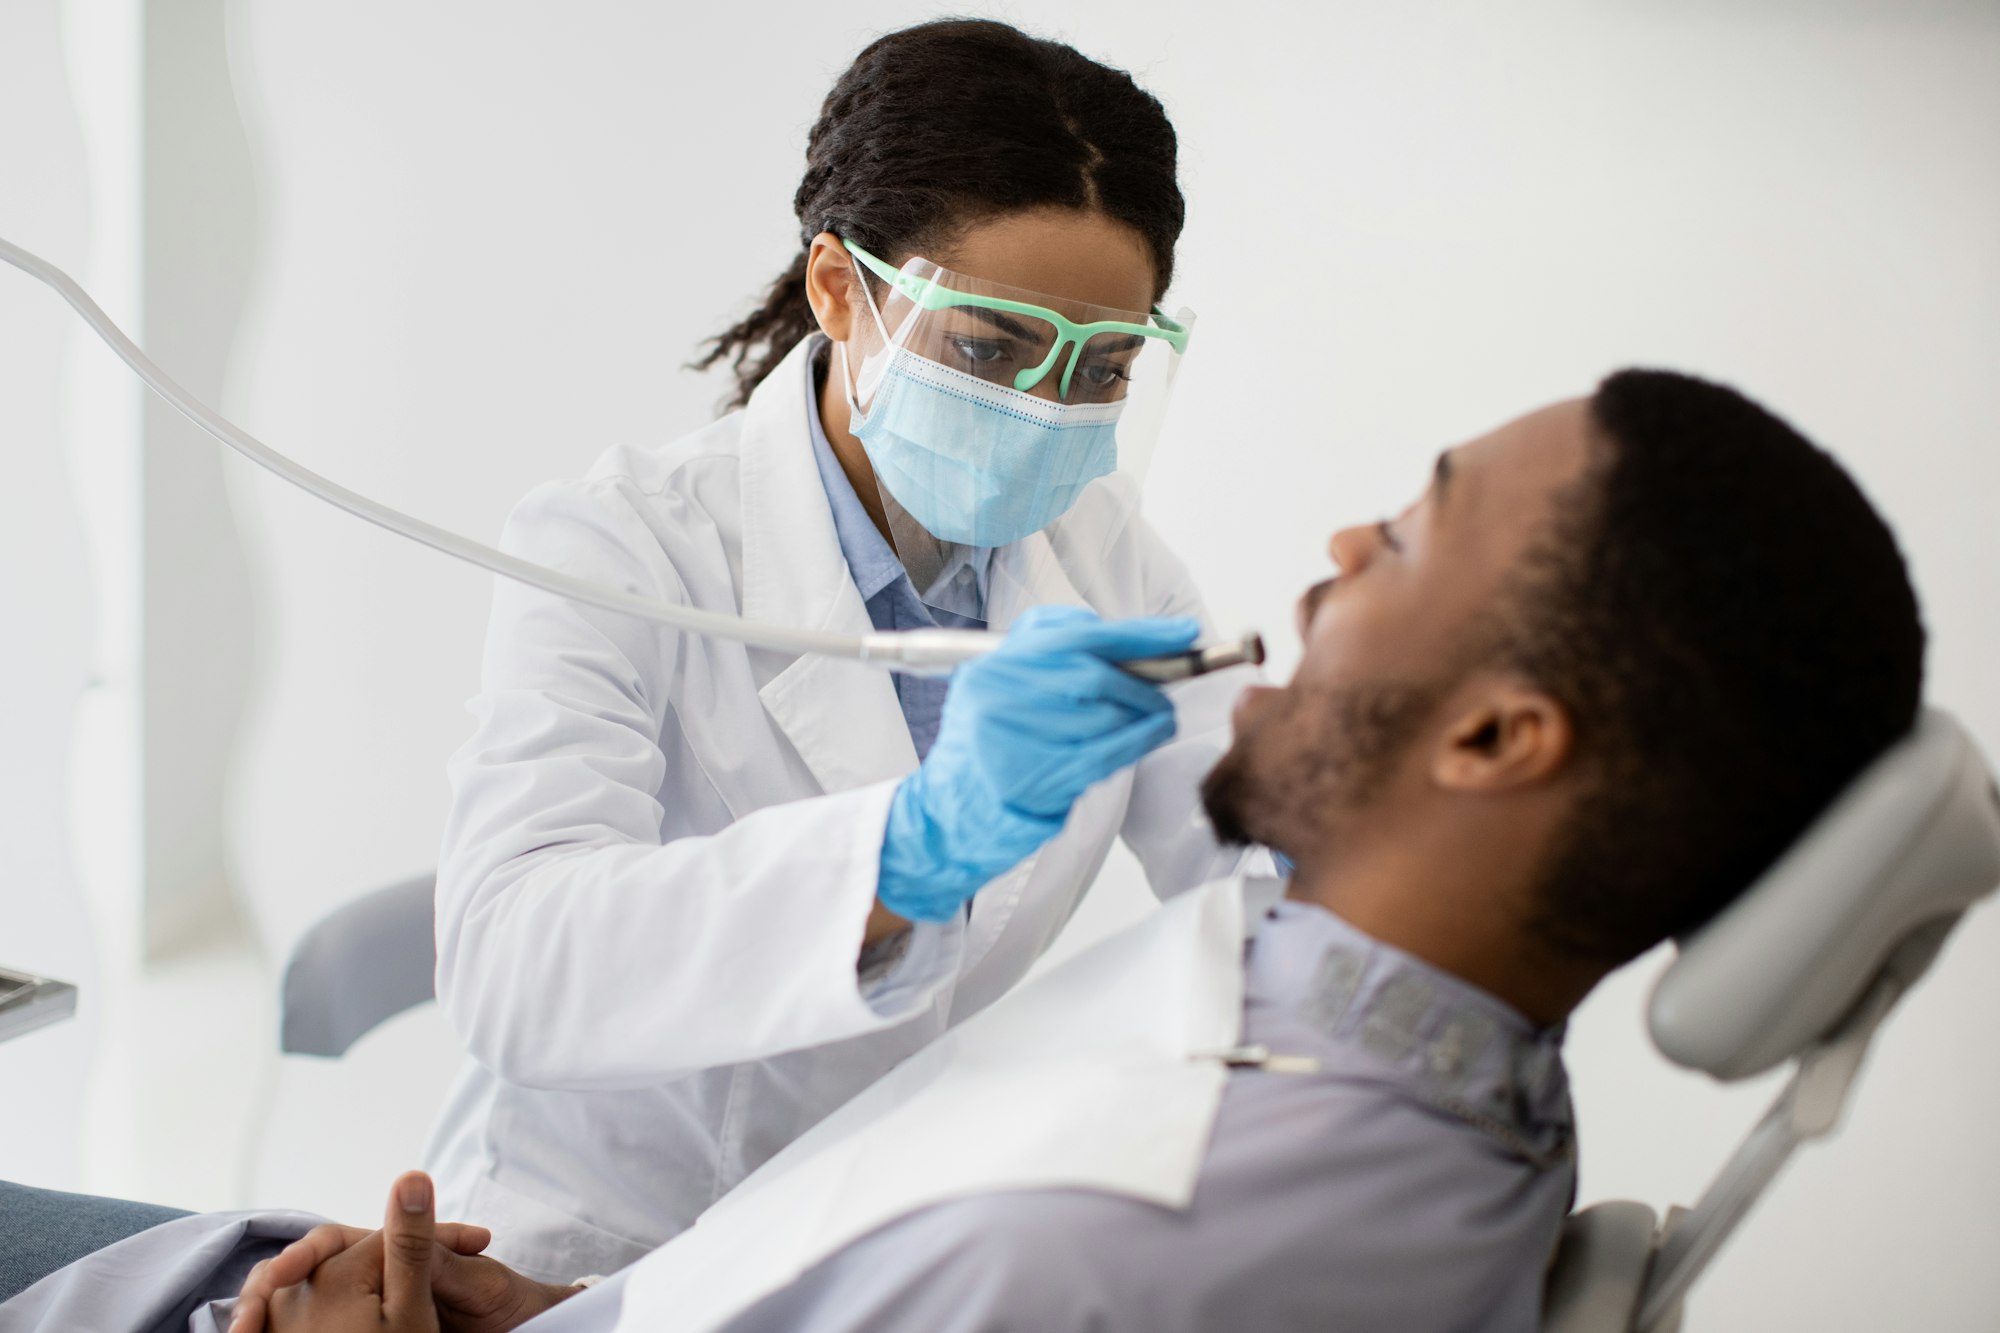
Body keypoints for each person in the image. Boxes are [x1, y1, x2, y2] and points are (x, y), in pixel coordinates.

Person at [0, 368, 1928, 1333]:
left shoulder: (1104, 1238)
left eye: (1406, 538)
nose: (1337, 552)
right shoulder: (1383, 1069)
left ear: (1504, 735)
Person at [420, 18, 1266, 1283]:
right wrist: (908, 855)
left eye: (1102, 369)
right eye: (991, 348)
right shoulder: (619, 546)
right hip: (595, 1257)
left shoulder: (1104, 556)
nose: (1047, 413)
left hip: (887, 1251)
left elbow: (1254, 858)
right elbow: (511, 964)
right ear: (838, 287)